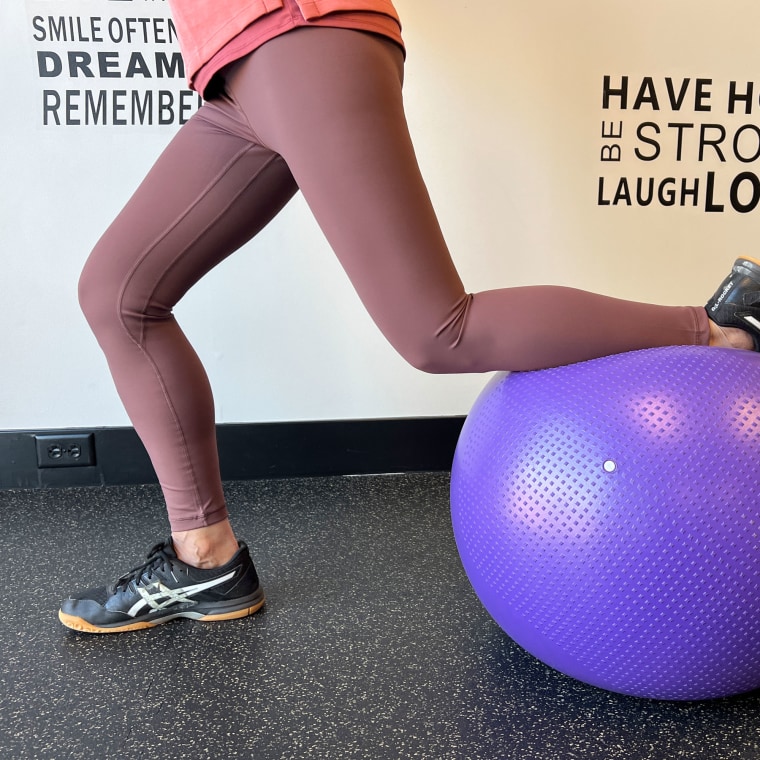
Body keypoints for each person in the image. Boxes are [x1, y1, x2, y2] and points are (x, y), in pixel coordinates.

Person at [58, 0, 760, 633]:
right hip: (237, 69)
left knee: (436, 330)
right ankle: (204, 560)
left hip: (298, 36)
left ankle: (719, 328)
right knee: (118, 293)